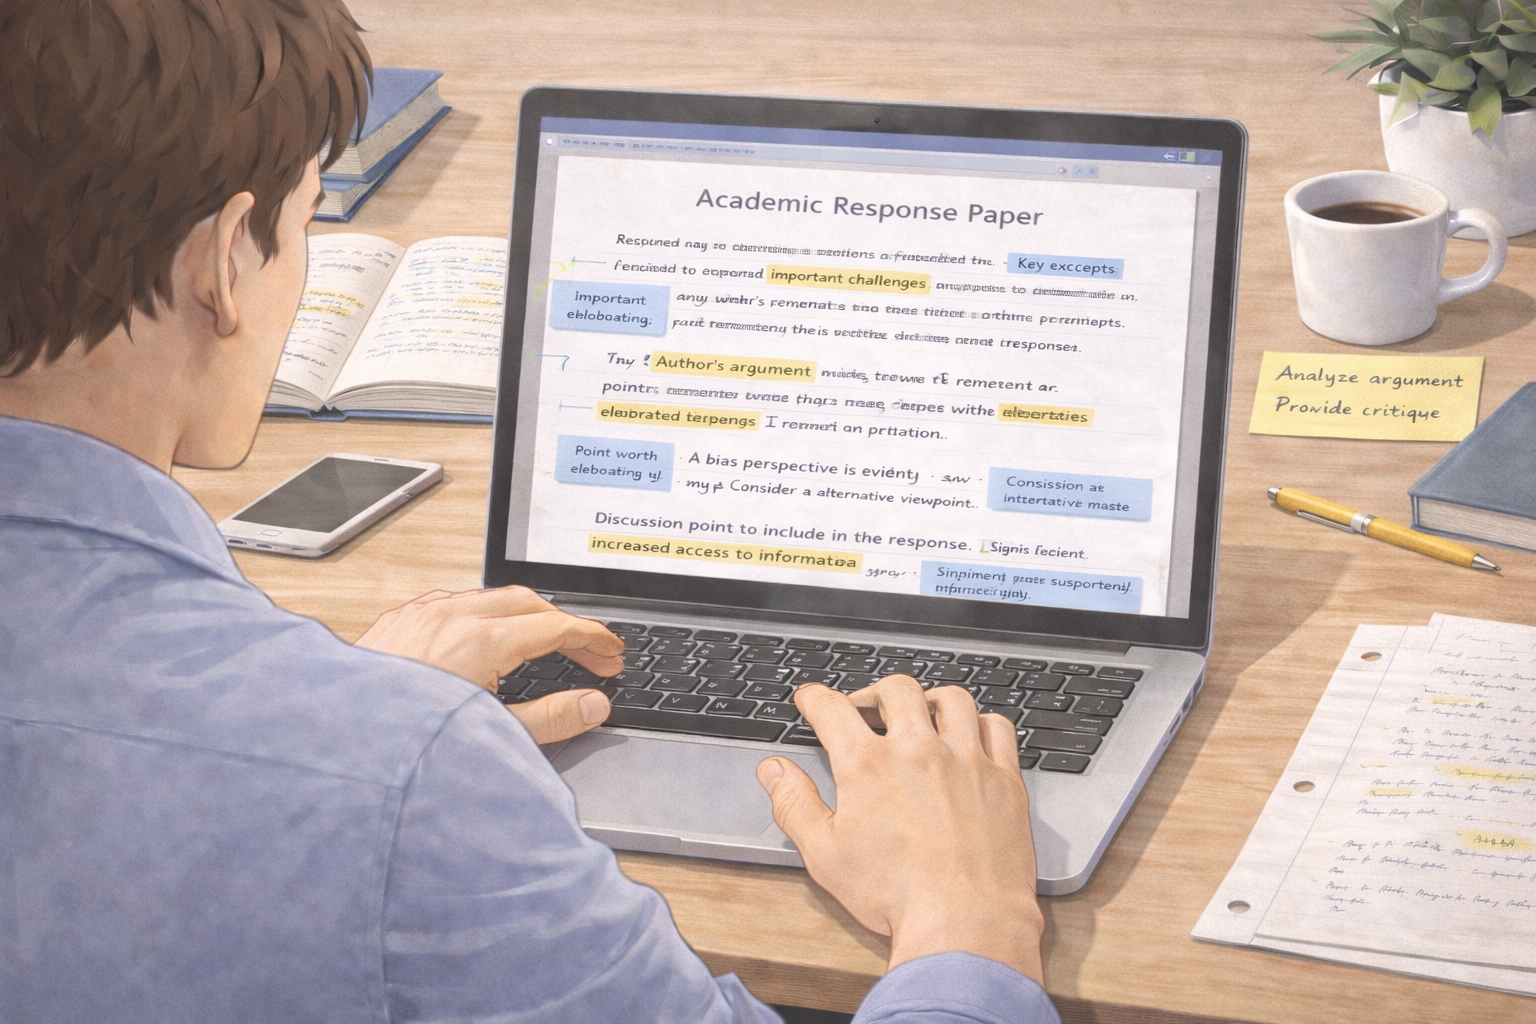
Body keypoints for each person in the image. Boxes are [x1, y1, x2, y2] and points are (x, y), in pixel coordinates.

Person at [0, 1, 1060, 1021]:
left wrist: (342, 724)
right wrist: (968, 922)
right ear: (225, 261)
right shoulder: (412, 786)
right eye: (308, 212)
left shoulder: (378, 759)